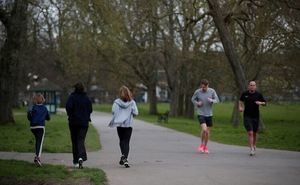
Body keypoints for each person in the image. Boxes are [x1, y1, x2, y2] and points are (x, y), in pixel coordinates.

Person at [109, 86, 138, 168]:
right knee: (127, 141)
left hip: (120, 124)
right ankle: (125, 157)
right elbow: (136, 112)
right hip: (128, 125)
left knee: (122, 141)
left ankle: (124, 156)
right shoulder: (132, 102)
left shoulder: (116, 102)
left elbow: (113, 111)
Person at [66, 82, 93, 168]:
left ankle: (76, 161)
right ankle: (81, 157)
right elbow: (90, 109)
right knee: (81, 140)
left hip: (73, 122)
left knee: (74, 141)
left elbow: (68, 108)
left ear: (75, 88)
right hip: (84, 123)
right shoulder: (86, 98)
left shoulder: (71, 98)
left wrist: (71, 115)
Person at [191, 79, 219, 154]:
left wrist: (212, 100)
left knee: (207, 132)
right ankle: (201, 144)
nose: (203, 89)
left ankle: (205, 147)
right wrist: (197, 103)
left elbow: (217, 100)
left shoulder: (212, 91)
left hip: (209, 114)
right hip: (201, 113)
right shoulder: (197, 92)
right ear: (201, 85)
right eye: (202, 87)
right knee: (204, 130)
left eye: (205, 87)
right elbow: (192, 99)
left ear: (207, 85)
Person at [239, 80, 266, 156]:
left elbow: (265, 103)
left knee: (255, 133)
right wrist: (240, 107)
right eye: (251, 85)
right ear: (248, 86)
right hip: (247, 116)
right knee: (250, 132)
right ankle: (251, 149)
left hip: (256, 116)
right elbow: (240, 101)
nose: (252, 86)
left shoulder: (258, 94)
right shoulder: (245, 94)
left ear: (255, 86)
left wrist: (260, 103)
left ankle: (254, 145)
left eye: (253, 85)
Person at [27, 93, 50, 167]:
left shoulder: (33, 107)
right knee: (40, 142)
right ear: (43, 100)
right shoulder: (44, 108)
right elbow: (48, 118)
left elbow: (29, 117)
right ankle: (38, 157)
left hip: (33, 127)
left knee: (37, 140)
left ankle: (36, 156)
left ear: (35, 100)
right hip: (40, 126)